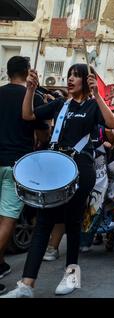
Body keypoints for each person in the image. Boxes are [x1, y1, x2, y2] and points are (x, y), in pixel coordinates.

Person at [2, 63, 114, 298]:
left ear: (86, 80)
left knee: (72, 222)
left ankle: (72, 275)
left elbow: (112, 124)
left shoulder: (93, 106)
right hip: (56, 168)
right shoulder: (59, 104)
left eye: (76, 75)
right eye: (70, 75)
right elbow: (28, 115)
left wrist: (98, 95)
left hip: (81, 167)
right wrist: (31, 90)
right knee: (44, 221)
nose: (71, 79)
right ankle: (26, 285)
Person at [0, 56, 49, 295]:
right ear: (28, 72)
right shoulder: (34, 97)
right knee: (8, 218)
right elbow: (43, 136)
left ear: (8, 72)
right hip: (16, 164)